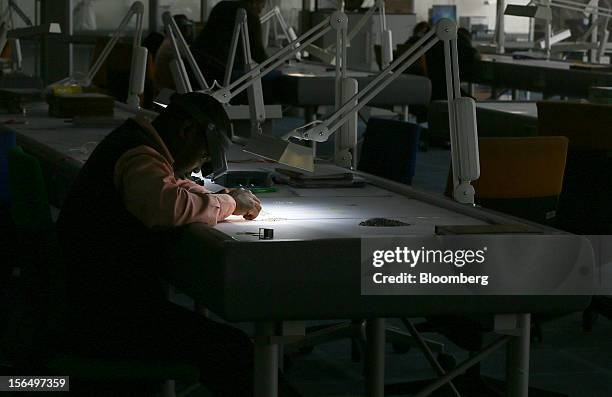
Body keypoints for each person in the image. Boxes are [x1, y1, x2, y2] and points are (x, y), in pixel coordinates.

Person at [56, 93, 288, 396]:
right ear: (187, 131)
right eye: (204, 156)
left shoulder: (134, 143)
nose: (199, 165)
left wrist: (216, 196)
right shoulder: (138, 155)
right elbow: (167, 205)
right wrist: (229, 203)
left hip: (87, 302)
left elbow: (171, 183)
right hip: (103, 319)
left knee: (227, 347)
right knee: (233, 350)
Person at [191, 0, 267, 86]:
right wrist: (274, 66)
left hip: (197, 68)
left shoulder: (221, 5)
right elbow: (258, 54)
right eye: (262, 6)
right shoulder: (249, 16)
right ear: (255, 3)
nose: (260, 11)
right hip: (223, 76)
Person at [154, 14, 196, 91]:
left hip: (165, 90)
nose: (188, 30)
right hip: (170, 92)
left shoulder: (170, 42)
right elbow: (195, 60)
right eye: (185, 27)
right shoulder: (174, 44)